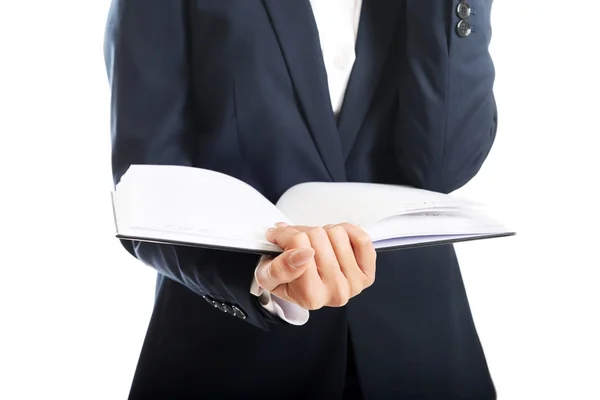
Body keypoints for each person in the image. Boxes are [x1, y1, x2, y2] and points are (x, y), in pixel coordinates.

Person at [104, 0, 498, 398]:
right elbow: (147, 193)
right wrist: (260, 279)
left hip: (425, 358)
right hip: (232, 360)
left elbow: (445, 168)